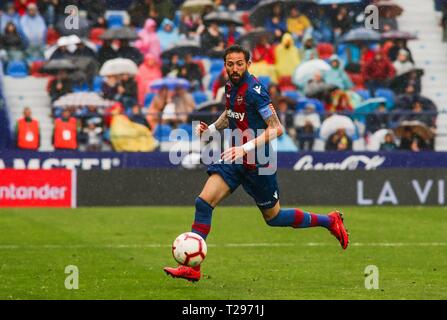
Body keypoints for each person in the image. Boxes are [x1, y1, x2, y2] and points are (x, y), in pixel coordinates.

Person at [164, 45, 349, 282]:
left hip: (258, 161)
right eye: (230, 64)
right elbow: (229, 113)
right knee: (203, 202)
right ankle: (193, 268)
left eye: (239, 63)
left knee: (274, 218)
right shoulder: (229, 87)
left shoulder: (256, 90)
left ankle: (329, 221)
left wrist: (245, 147)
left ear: (248, 64)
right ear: (225, 66)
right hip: (234, 158)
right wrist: (210, 130)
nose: (235, 68)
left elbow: (277, 128)